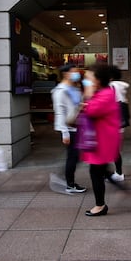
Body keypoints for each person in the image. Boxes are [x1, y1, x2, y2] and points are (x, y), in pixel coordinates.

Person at [81, 64, 121, 216]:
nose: (86, 81)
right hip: (99, 140)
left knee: (96, 172)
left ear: (97, 80)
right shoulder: (103, 92)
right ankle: (122, 190)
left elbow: (90, 110)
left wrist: (88, 94)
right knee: (99, 170)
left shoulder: (105, 94)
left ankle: (100, 205)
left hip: (102, 142)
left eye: (89, 78)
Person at [51, 64, 86, 193]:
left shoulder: (75, 88)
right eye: (74, 72)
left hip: (78, 126)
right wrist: (64, 133)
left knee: (76, 156)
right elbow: (60, 112)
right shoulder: (60, 91)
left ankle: (65, 177)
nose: (77, 74)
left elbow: (76, 106)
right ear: (66, 74)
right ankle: (70, 184)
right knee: (73, 156)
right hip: (69, 128)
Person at [109, 65, 129, 182]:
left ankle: (118, 173)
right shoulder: (121, 86)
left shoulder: (111, 86)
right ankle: (117, 172)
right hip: (119, 122)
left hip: (112, 121)